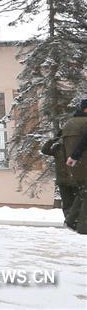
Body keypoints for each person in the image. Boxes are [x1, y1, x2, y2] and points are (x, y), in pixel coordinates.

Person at [61, 99, 87, 233]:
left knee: (83, 192)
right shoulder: (85, 123)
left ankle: (71, 221)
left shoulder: (69, 123)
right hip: (83, 161)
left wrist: (73, 157)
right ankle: (82, 227)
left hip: (74, 165)